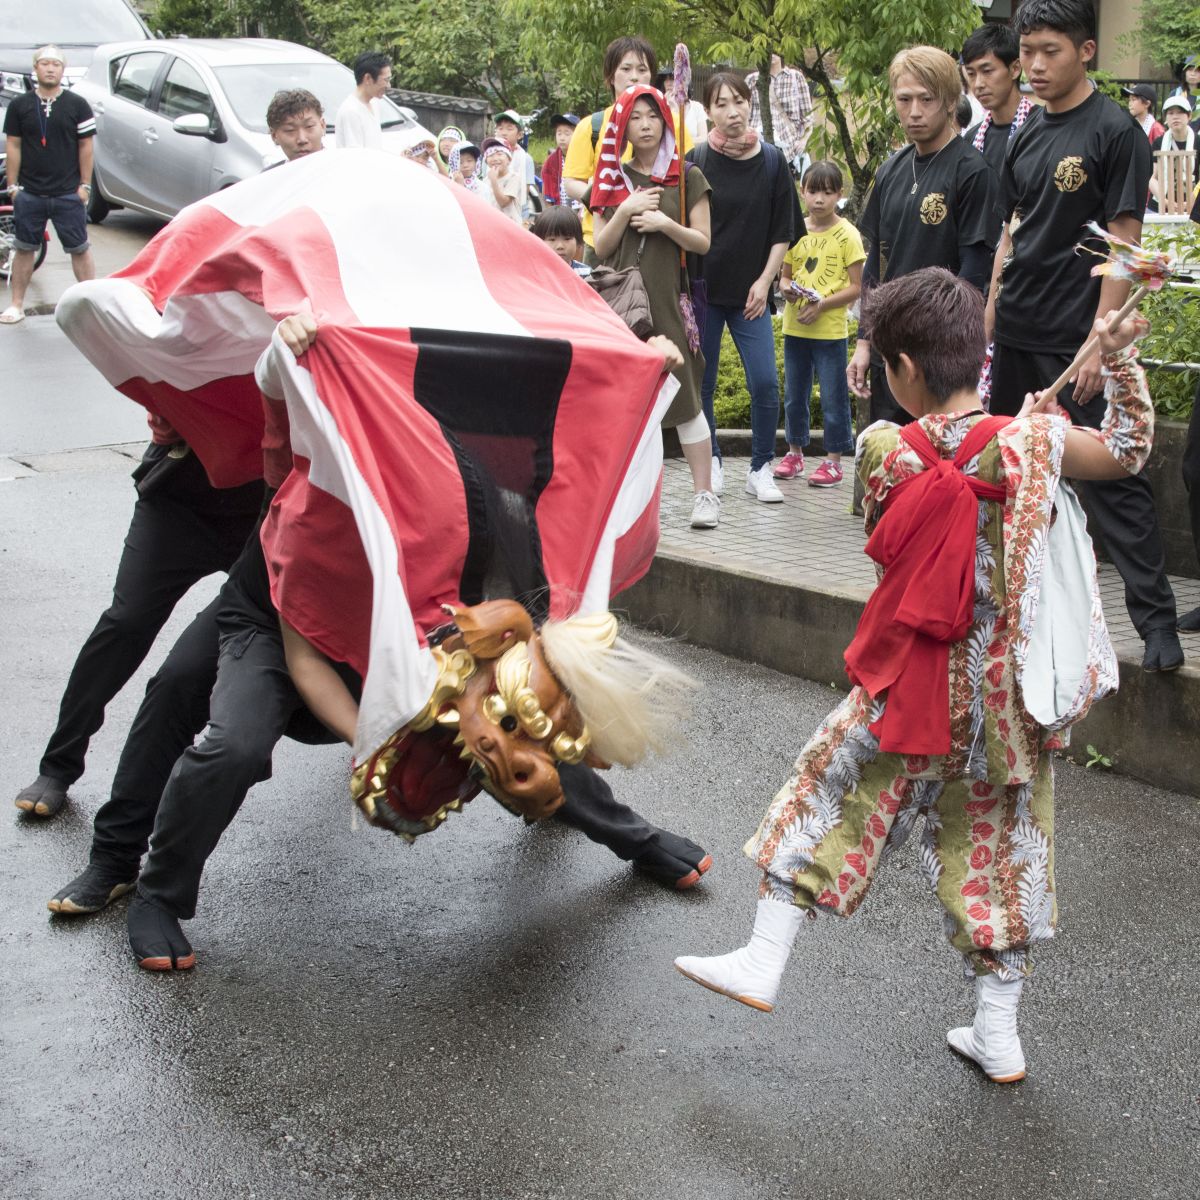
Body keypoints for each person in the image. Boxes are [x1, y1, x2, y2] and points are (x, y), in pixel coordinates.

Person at [673, 267, 1156, 1085]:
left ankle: (763, 957)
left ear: (900, 369)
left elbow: (887, 529)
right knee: (1000, 850)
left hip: (909, 686)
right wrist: (1115, 368)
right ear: (982, 355)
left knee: (828, 792)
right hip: (1006, 704)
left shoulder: (880, 448)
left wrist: (1001, 441)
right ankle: (996, 1031)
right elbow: (1126, 453)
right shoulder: (1032, 443)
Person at [986, 0, 1183, 673]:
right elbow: (1017, 227)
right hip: (1018, 326)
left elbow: (1126, 240)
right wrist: (991, 305)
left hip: (1078, 337)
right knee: (1008, 470)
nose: (1033, 66)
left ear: (1086, 52)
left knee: (1112, 483)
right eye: (1027, 52)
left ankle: (1156, 624)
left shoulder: (1115, 132)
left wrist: (1103, 340)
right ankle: (1006, 612)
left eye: (1049, 51)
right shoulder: (1026, 131)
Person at [847, 46, 999, 425]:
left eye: (926, 99)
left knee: (939, 465)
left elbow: (975, 270)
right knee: (887, 453)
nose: (914, 111)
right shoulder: (890, 170)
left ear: (950, 101)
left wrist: (961, 348)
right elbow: (876, 265)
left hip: (941, 349)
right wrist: (864, 342)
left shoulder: (972, 171)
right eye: (904, 99)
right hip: (891, 346)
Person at [589, 85, 717, 531]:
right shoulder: (611, 178)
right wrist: (624, 209)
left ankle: (705, 496)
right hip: (622, 306)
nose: (644, 125)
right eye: (635, 118)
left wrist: (664, 222)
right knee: (626, 406)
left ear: (665, 120)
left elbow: (702, 241)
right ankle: (633, 502)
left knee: (687, 398)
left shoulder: (687, 177)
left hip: (666, 299)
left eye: (652, 115)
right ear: (622, 127)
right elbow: (599, 250)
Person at [688, 72, 804, 502]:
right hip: (704, 292)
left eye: (739, 101)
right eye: (721, 104)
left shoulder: (772, 161)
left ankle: (760, 467)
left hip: (751, 295)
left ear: (750, 103)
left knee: (764, 383)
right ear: (708, 110)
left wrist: (765, 280)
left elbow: (783, 230)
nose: (732, 112)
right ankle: (712, 461)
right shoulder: (696, 159)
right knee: (705, 384)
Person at [563, 38, 696, 264]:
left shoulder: (673, 125)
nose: (634, 76)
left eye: (642, 69)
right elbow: (571, 182)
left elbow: (688, 178)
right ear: (610, 76)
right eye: (625, 69)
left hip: (660, 243)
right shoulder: (591, 126)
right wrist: (613, 199)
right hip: (602, 243)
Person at [777, 161, 864, 488]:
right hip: (795, 327)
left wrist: (822, 305)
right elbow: (785, 276)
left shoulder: (848, 235)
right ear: (802, 192)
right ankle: (794, 452)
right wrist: (786, 289)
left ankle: (833, 461)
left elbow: (857, 287)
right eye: (813, 191)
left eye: (827, 192)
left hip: (829, 332)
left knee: (833, 395)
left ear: (839, 195)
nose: (819, 199)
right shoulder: (795, 232)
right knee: (794, 395)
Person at [1, 45, 95, 325]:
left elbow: (86, 147)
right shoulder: (19, 106)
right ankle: (16, 305)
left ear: (62, 70)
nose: (50, 68)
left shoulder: (78, 105)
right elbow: (14, 145)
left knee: (79, 248)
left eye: (56, 64)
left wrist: (85, 186)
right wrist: (14, 187)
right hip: (30, 193)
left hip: (68, 193)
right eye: (45, 64)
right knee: (24, 247)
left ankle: (90, 307)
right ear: (35, 68)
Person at [961, 24, 1034, 184]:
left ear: (1015, 69)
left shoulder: (1041, 129)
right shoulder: (972, 138)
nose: (978, 84)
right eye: (971, 74)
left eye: (987, 71)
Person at [744, 55, 815, 179]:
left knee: (784, 193)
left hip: (788, 149)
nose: (771, 54)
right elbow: (744, 115)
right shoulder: (752, 79)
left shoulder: (795, 77)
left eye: (775, 50)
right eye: (767, 50)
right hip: (756, 146)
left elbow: (808, 117)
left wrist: (803, 140)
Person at [1149, 96, 1198, 212]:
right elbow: (1151, 178)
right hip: (1160, 206)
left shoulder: (1198, 142)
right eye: (1170, 113)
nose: (1175, 117)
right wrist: (1165, 201)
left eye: (1180, 112)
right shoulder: (1159, 143)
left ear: (1189, 116)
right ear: (1166, 117)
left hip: (1194, 206)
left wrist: (1190, 201)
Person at [334, 51, 391, 149]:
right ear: (368, 78)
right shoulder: (351, 111)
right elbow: (356, 157)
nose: (388, 86)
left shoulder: (374, 102)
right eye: (386, 80)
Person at [493, 110, 535, 219]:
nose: (504, 132)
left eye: (509, 128)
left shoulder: (525, 159)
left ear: (520, 135)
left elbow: (525, 191)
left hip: (518, 212)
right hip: (492, 209)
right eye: (500, 128)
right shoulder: (489, 157)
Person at [265, 89, 325, 164]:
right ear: (274, 136)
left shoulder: (340, 168)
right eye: (290, 130)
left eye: (309, 126)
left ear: (322, 126)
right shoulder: (271, 174)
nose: (302, 139)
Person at [531, 205, 591, 276]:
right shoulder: (534, 274)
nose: (560, 246)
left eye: (567, 239)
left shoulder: (587, 274)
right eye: (552, 239)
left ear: (578, 241)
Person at [480, 137, 524, 224]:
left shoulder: (513, 178)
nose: (495, 158)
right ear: (486, 161)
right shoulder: (485, 180)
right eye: (491, 155)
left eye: (500, 154)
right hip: (492, 224)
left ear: (509, 160)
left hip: (510, 225)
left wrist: (493, 181)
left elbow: (503, 202)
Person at [541, 113, 579, 207]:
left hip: (581, 209)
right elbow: (547, 191)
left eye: (567, 133)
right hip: (560, 211)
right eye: (559, 133)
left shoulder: (586, 156)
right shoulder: (551, 161)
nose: (562, 138)